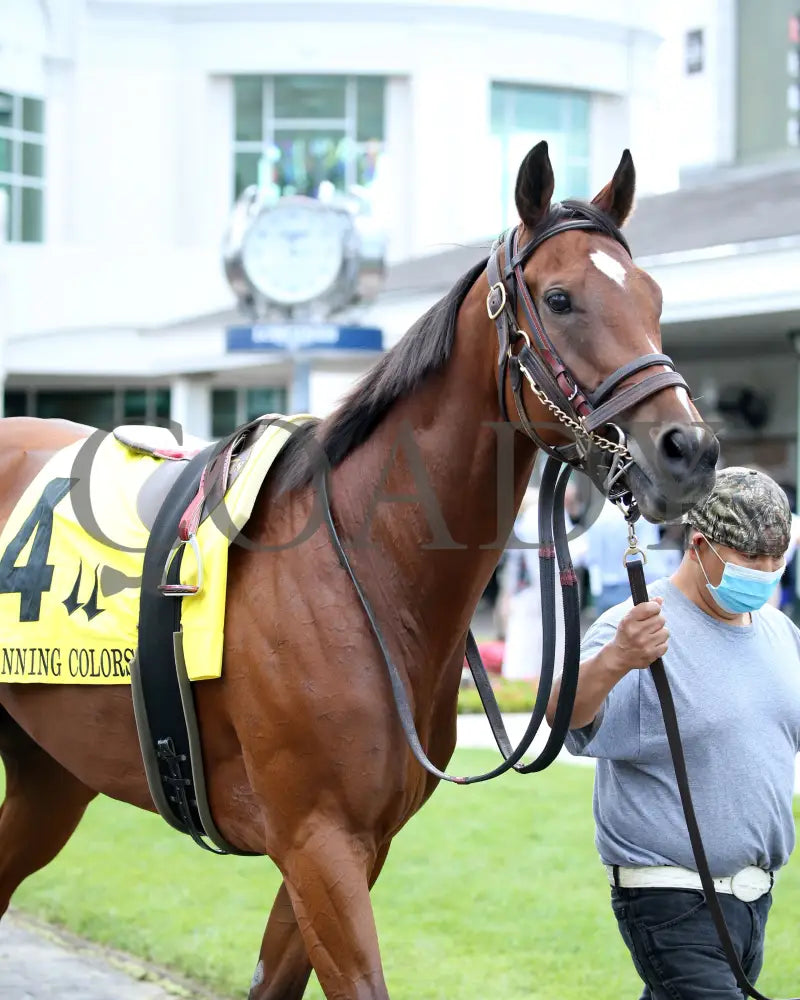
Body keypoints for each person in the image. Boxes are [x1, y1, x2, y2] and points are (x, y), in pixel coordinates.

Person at [546, 467, 800, 999]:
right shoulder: (635, 625)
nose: (769, 572)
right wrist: (617, 659)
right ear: (700, 545)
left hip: (755, 901)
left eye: (778, 559)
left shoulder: (779, 632)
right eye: (753, 559)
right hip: (671, 896)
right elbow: (561, 716)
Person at [583, 499, 678, 615]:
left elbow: (592, 557)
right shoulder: (640, 513)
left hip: (605, 589)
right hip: (635, 587)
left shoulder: (596, 513)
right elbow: (648, 556)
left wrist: (596, 591)